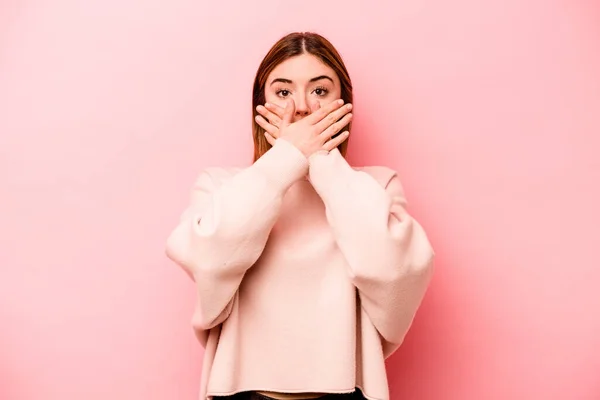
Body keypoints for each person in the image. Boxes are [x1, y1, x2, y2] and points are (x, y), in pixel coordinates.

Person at [165, 32, 435, 400]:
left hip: (345, 391)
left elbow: (394, 276)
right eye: (283, 92)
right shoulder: (221, 186)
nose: (303, 107)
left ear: (344, 103)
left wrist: (323, 163)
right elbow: (209, 261)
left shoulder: (375, 186)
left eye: (320, 91)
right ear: (260, 104)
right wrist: (285, 160)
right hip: (243, 392)